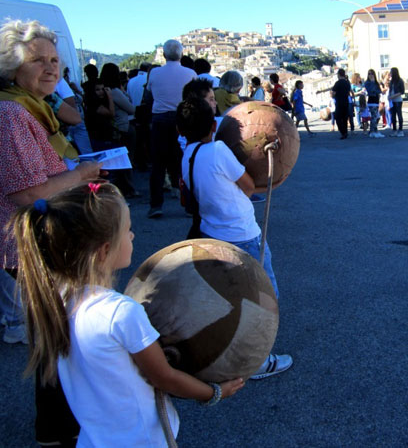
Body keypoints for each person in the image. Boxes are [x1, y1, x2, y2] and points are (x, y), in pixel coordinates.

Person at [12, 183, 245, 446]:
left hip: (93, 439)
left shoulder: (55, 301)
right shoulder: (121, 313)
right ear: (104, 250)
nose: (133, 236)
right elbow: (165, 377)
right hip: (141, 439)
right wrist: (215, 392)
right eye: (127, 230)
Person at [0, 19, 102, 347]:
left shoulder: (32, 105)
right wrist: (82, 175)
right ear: (12, 67)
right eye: (37, 60)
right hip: (26, 244)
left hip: (32, 239)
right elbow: (28, 192)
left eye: (54, 60)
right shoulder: (12, 114)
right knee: (51, 341)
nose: (50, 68)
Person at [177, 95, 293, 379]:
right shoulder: (217, 150)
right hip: (241, 235)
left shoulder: (188, 154)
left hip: (211, 234)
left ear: (181, 130)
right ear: (213, 127)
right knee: (263, 296)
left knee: (229, 297)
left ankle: (225, 349)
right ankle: (257, 361)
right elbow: (249, 185)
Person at [146, 39, 196, 218]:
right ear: (181, 54)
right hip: (181, 119)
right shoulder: (190, 73)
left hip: (159, 119)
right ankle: (189, 204)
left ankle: (156, 205)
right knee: (184, 161)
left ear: (165, 55)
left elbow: (150, 93)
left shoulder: (155, 73)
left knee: (158, 164)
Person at [100, 63, 138, 197]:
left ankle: (122, 187)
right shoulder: (115, 92)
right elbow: (130, 108)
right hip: (124, 126)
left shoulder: (104, 90)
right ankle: (129, 188)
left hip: (113, 128)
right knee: (128, 159)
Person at [331, 68, 352, 139]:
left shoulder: (338, 83)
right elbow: (349, 92)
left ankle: (343, 132)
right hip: (346, 101)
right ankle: (345, 132)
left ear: (339, 75)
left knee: (338, 118)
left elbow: (333, 93)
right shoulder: (347, 83)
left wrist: (333, 95)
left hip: (339, 102)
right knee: (345, 118)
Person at [364, 69, 384, 138]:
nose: (371, 75)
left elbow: (379, 91)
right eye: (369, 74)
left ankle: (374, 130)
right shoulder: (367, 83)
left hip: (376, 101)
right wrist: (372, 83)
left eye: (372, 74)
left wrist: (375, 91)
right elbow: (370, 91)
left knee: (376, 117)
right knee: (374, 117)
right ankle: (372, 131)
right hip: (371, 101)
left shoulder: (376, 83)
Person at [387, 67, 405, 136]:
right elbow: (390, 90)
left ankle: (400, 130)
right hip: (392, 101)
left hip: (398, 100)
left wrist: (393, 96)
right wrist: (389, 96)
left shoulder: (400, 81)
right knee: (393, 115)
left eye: (391, 72)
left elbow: (402, 91)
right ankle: (394, 130)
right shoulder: (391, 81)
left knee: (399, 114)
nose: (390, 74)